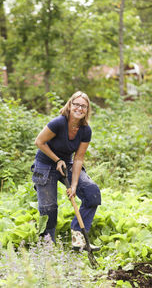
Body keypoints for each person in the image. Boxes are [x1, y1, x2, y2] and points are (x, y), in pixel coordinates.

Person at [31, 91, 101, 250]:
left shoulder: (85, 130)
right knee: (48, 208)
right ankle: (46, 247)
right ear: (69, 105)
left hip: (67, 164)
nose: (79, 108)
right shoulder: (58, 123)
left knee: (92, 193)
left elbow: (78, 158)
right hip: (45, 165)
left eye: (83, 106)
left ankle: (78, 237)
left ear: (87, 110)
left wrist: (74, 185)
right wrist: (57, 159)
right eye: (76, 104)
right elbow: (39, 142)